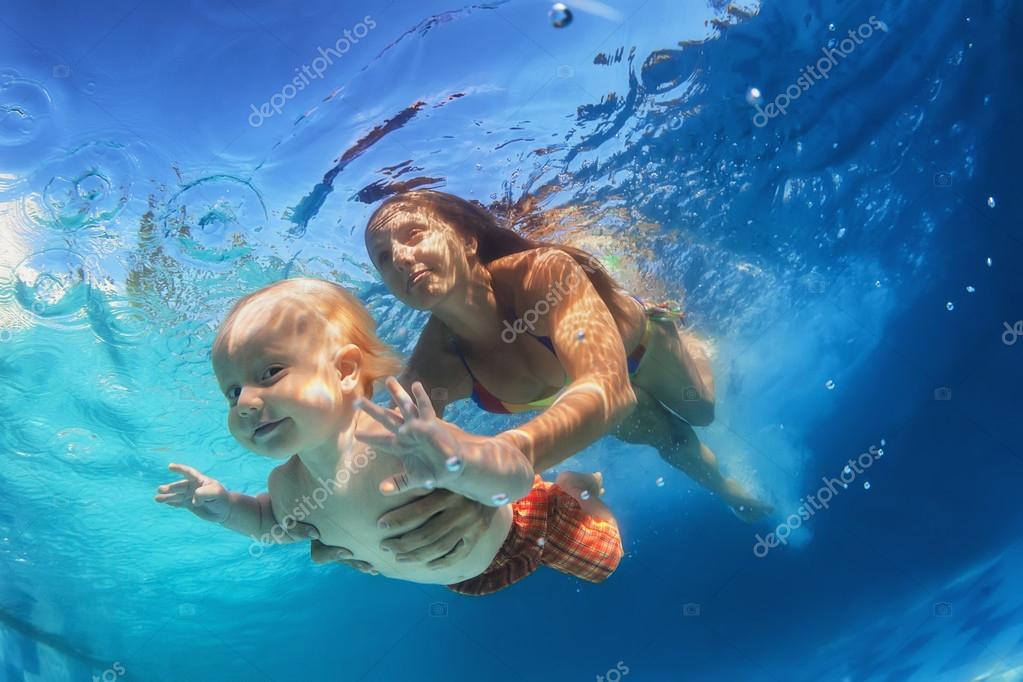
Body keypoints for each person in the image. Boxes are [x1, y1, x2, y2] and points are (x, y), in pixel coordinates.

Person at [154, 278, 623, 595]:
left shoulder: (403, 436)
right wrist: (224, 507)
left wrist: (458, 463)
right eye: (232, 391)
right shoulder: (286, 486)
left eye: (269, 373)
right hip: (462, 580)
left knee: (605, 559)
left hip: (524, 528)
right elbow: (267, 524)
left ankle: (573, 488)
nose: (244, 403)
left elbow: (514, 479)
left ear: (344, 370)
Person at [362, 190, 773, 525]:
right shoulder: (433, 369)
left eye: (414, 234)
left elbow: (610, 390)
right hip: (581, 392)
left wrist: (504, 456)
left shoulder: (543, 273)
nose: (399, 257)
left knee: (702, 411)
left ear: (468, 242)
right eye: (383, 258)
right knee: (669, 440)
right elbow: (384, 462)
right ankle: (726, 489)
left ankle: (694, 342)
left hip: (640, 349)